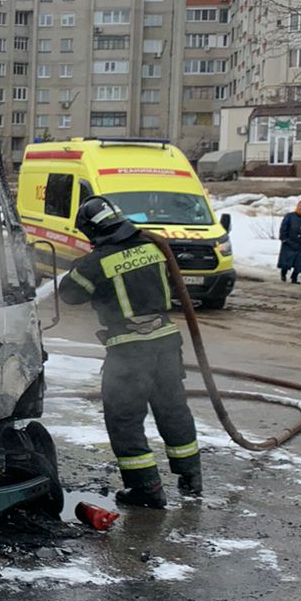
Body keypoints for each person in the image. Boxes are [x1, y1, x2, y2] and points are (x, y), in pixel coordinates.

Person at [58, 196, 201, 508]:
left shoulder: (97, 262)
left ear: (92, 230)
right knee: (173, 410)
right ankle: (191, 476)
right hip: (166, 343)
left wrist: (79, 266)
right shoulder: (153, 247)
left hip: (129, 351)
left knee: (124, 419)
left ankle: (146, 488)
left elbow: (69, 294)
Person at [278, 200, 301, 284]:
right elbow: (283, 228)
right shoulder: (290, 216)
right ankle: (283, 274)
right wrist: (284, 239)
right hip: (289, 243)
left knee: (299, 262)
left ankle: (294, 278)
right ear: (297, 206)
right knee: (286, 262)